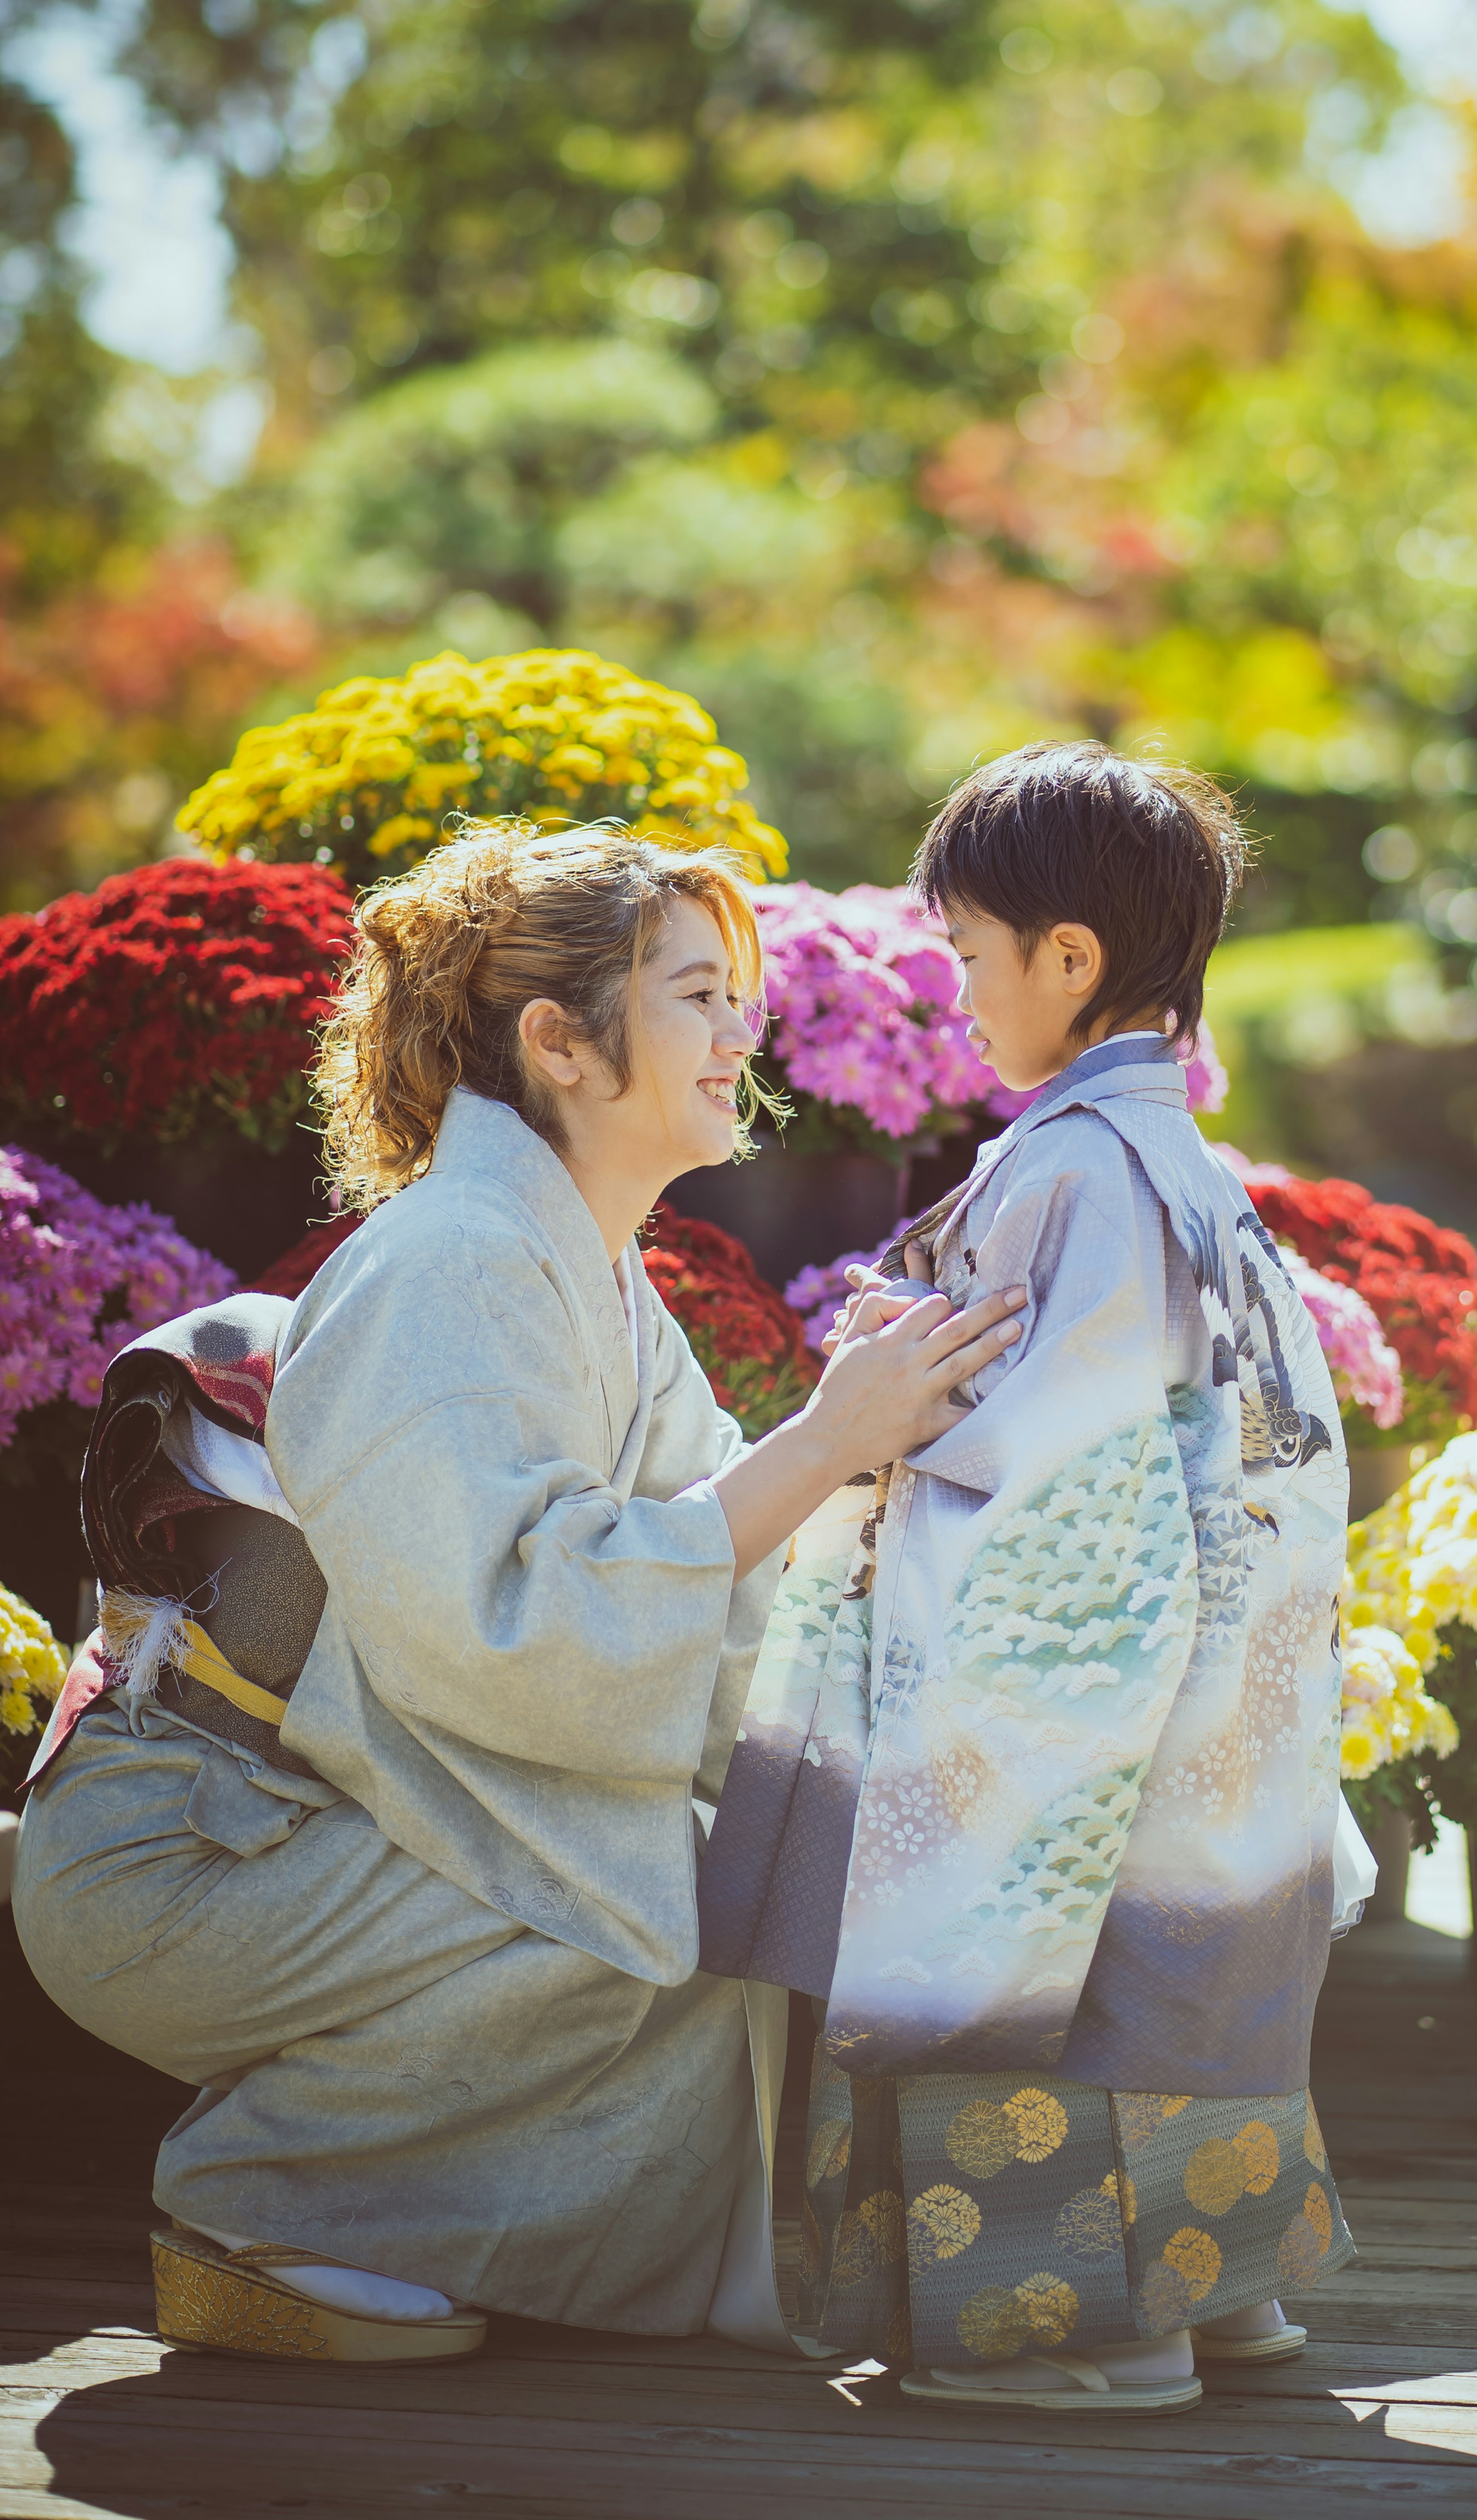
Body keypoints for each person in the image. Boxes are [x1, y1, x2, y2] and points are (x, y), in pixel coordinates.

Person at [13, 823, 1020, 2366]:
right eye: (697, 994)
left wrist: (873, 1493)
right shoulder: (450, 1260)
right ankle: (261, 2201)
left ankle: (715, 2252)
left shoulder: (596, 1275)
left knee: (739, 1866)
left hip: (320, 1825)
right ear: (560, 1042)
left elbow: (731, 1576)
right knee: (672, 1885)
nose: (740, 1033)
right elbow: (516, 1632)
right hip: (190, 1848)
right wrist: (829, 1437)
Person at [700, 743, 1355, 2414]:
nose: (958, 991)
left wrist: (892, 1420)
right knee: (1193, 1946)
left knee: (1059, 1943)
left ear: (1072, 961)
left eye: (974, 955)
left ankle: (1090, 2329)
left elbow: (1064, 1490)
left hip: (1101, 1670)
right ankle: (1213, 2287)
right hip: (1229, 1675)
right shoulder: (1191, 1173)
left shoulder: (1068, 1169)